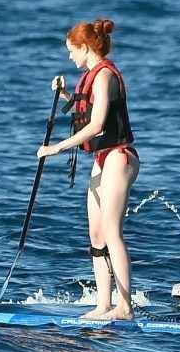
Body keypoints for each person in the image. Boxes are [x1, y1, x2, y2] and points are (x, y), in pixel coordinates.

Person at [37, 18, 140, 320]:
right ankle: (103, 305)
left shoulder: (105, 75)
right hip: (102, 160)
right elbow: (89, 111)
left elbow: (97, 125)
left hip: (120, 157)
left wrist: (56, 148)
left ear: (85, 48)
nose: (70, 57)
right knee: (96, 235)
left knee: (111, 230)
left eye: (72, 51)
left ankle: (125, 308)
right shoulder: (92, 78)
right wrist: (66, 94)